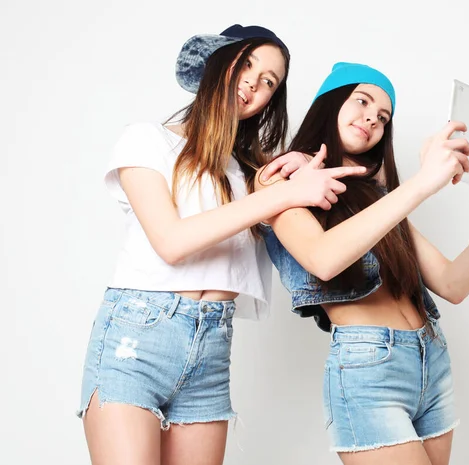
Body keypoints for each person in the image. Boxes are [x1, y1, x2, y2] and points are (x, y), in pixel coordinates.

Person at [77, 27, 365, 465]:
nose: (254, 82)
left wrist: (300, 168)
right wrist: (281, 194)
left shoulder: (252, 173)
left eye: (269, 81)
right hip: (136, 339)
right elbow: (172, 243)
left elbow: (315, 239)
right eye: (247, 64)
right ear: (217, 62)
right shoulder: (148, 140)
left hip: (212, 346)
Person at [256, 62, 469, 465]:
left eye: (383, 117)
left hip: (431, 358)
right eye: (362, 101)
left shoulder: (378, 199)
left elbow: (453, 284)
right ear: (329, 103)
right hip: (369, 368)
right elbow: (323, 259)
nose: (372, 118)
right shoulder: (281, 177)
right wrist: (424, 182)